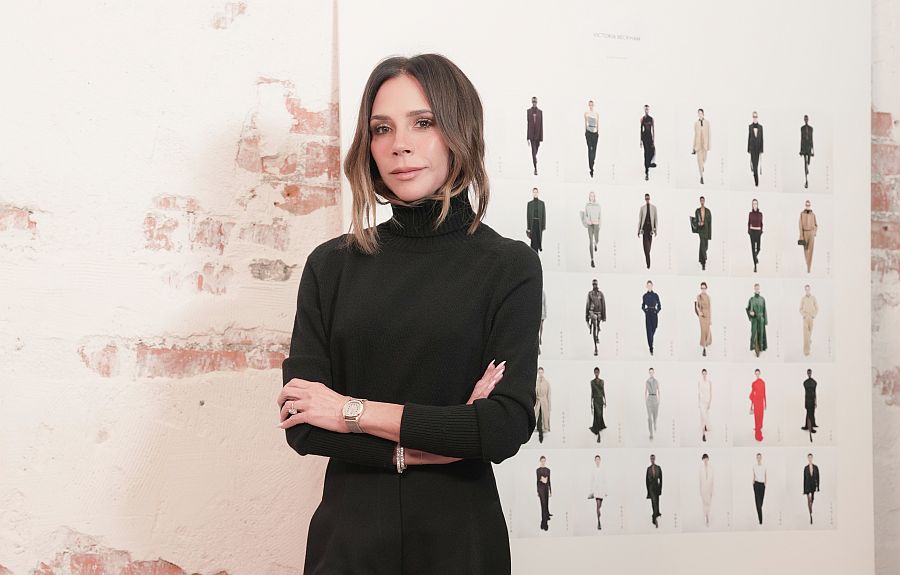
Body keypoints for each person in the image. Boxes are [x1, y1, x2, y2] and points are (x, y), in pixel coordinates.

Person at [277, 54, 542, 575]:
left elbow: (501, 427)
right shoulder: (331, 266)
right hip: (347, 546)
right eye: (382, 128)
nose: (399, 144)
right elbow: (302, 422)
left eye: (423, 122)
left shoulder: (508, 266)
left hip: (461, 546)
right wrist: (439, 440)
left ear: (459, 131)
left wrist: (348, 411)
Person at [585, 279, 607, 356]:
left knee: (597, 326)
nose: (595, 286)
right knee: (595, 327)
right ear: (592, 285)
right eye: (593, 284)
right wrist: (587, 318)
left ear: (597, 285)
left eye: (596, 284)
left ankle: (597, 334)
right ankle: (595, 348)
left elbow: (603, 305)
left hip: (599, 313)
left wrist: (604, 317)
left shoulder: (601, 294)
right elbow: (587, 305)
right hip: (592, 312)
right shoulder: (590, 294)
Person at [746, 283, 768, 357]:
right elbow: (748, 309)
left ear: (759, 289)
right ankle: (755, 348)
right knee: (754, 334)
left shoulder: (762, 299)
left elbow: (764, 310)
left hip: (761, 319)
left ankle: (760, 348)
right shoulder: (751, 299)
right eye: (755, 288)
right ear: (754, 289)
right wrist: (750, 313)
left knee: (761, 333)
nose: (757, 290)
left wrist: (765, 320)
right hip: (754, 319)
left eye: (758, 288)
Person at [637, 194, 658, 269]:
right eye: (646, 198)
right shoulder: (642, 208)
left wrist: (655, 230)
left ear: (650, 198)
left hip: (650, 229)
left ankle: (648, 260)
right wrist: (638, 230)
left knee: (649, 247)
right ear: (645, 199)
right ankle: (648, 263)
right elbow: (640, 220)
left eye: (648, 198)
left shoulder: (654, 208)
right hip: (644, 229)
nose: (647, 200)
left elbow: (656, 219)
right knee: (645, 246)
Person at [642, 280, 662, 355]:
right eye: (648, 285)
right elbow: (642, 306)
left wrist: (656, 311)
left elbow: (659, 306)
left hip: (654, 313)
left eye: (650, 285)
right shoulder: (644, 296)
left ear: (652, 286)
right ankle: (651, 348)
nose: (649, 286)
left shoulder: (656, 295)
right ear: (646, 286)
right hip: (648, 314)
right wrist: (645, 310)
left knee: (654, 328)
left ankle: (651, 340)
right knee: (648, 331)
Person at [589, 454, 608, 529]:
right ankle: (599, 522)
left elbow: (605, 480)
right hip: (596, 490)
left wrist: (605, 491)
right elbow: (591, 481)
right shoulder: (593, 470)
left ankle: (599, 516)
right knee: (597, 505)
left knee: (600, 506)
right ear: (595, 461)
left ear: (600, 460)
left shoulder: (602, 470)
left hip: (601, 489)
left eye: (598, 459)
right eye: (596, 460)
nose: (597, 461)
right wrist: (591, 491)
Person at [799, 199, 818, 273]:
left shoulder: (813, 214)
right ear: (805, 205)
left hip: (811, 233)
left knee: (811, 251)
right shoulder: (801, 214)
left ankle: (808, 268)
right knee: (805, 250)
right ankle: (808, 265)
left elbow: (816, 225)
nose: (807, 206)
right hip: (804, 233)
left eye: (809, 204)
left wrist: (814, 232)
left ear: (810, 205)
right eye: (806, 204)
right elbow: (800, 225)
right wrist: (801, 235)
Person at [693, 196, 712, 270]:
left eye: (703, 200)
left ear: (704, 201)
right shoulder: (697, 211)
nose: (702, 202)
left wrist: (709, 235)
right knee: (702, 244)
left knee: (705, 246)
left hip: (706, 229)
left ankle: (701, 259)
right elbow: (696, 221)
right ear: (700, 201)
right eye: (701, 200)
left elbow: (710, 223)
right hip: (701, 230)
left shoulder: (708, 211)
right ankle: (704, 262)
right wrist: (698, 223)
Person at [799, 284, 819, 356]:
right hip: (805, 318)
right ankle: (806, 351)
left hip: (811, 317)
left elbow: (817, 308)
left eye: (808, 289)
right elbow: (800, 309)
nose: (807, 290)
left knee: (810, 333)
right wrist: (804, 315)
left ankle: (809, 340)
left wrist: (814, 315)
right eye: (806, 289)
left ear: (810, 289)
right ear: (805, 290)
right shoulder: (803, 298)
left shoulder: (813, 298)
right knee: (805, 334)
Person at [693, 108, 711, 184]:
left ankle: (702, 165)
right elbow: (695, 135)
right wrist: (693, 147)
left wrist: (709, 145)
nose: (700, 115)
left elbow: (709, 134)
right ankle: (701, 177)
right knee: (699, 161)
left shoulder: (707, 123)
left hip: (705, 145)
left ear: (703, 114)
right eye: (698, 113)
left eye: (701, 113)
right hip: (698, 145)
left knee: (704, 159)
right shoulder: (696, 124)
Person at [589, 367, 607, 442]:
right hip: (595, 400)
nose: (596, 373)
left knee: (600, 414)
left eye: (597, 372)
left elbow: (603, 391)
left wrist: (605, 400)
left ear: (599, 372)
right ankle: (598, 434)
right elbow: (592, 392)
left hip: (600, 400)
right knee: (597, 415)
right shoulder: (592, 382)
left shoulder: (602, 381)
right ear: (594, 373)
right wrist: (591, 403)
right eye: (595, 372)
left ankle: (600, 426)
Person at [526, 187, 546, 253]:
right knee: (533, 239)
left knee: (538, 238)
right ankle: (534, 252)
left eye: (536, 192)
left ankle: (536, 252)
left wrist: (543, 226)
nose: (535, 193)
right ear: (532, 193)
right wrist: (528, 227)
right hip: (533, 223)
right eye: (534, 192)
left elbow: (543, 215)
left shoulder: (542, 203)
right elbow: (528, 216)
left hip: (539, 223)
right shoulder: (529, 204)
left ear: (538, 193)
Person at [584, 191, 601, 267]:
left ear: (594, 197)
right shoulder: (587, 205)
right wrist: (588, 221)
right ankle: (592, 260)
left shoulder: (598, 205)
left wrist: (599, 225)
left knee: (596, 239)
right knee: (590, 240)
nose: (592, 197)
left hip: (596, 224)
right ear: (589, 197)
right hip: (590, 225)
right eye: (590, 196)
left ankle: (596, 244)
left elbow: (600, 216)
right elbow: (585, 215)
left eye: (593, 196)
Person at [535, 367, 551, 443]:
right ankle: (539, 432)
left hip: (544, 402)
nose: (540, 374)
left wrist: (549, 406)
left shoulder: (547, 383)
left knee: (544, 416)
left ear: (543, 373)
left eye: (541, 372)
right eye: (539, 372)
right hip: (538, 402)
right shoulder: (535, 383)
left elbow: (548, 395)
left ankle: (544, 430)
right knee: (538, 417)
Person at [749, 369, 767, 442]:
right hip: (756, 402)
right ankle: (758, 433)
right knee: (756, 416)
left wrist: (765, 403)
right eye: (756, 373)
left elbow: (764, 393)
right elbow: (752, 394)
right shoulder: (753, 383)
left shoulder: (763, 382)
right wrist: (752, 405)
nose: (757, 375)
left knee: (761, 416)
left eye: (758, 373)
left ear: (760, 373)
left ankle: (759, 427)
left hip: (761, 402)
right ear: (755, 374)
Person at [527, 96, 543, 176]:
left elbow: (541, 125)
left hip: (538, 135)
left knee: (536, 150)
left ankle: (535, 159)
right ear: (531, 102)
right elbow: (528, 124)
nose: (534, 103)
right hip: (531, 135)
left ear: (537, 102)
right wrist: (527, 137)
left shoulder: (540, 112)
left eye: (535, 101)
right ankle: (535, 168)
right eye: (533, 101)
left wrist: (541, 137)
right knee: (533, 152)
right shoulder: (528, 111)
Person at [747, 111, 764, 187]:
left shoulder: (760, 127)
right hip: (752, 149)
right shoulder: (750, 127)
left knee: (756, 165)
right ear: (752, 117)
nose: (755, 118)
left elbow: (762, 139)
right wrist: (748, 149)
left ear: (757, 117)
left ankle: (755, 176)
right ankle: (756, 182)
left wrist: (761, 149)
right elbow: (749, 138)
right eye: (753, 116)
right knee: (754, 165)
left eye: (756, 116)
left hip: (758, 149)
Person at [646, 454, 663, 527]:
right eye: (651, 459)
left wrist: (660, 489)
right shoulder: (648, 469)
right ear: (650, 459)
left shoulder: (658, 468)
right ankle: (654, 518)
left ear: (655, 459)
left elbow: (661, 479)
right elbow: (646, 481)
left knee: (657, 501)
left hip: (657, 487)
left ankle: (657, 513)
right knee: (654, 502)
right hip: (651, 488)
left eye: (653, 458)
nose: (652, 460)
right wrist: (648, 492)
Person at [695, 281, 712, 356]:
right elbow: (697, 306)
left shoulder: (709, 297)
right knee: (703, 330)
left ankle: (708, 341)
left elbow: (710, 308)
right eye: (702, 288)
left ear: (706, 288)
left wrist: (710, 319)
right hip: (701, 315)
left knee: (707, 329)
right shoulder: (698, 296)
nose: (703, 290)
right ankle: (704, 347)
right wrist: (699, 312)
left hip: (707, 314)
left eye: (704, 288)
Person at [803, 453, 821, 524]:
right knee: (808, 500)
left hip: (813, 486)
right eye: (809, 458)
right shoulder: (805, 468)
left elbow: (818, 478)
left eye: (811, 457)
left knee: (812, 500)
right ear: (807, 458)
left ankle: (811, 510)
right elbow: (804, 479)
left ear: (812, 458)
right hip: (807, 486)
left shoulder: (816, 467)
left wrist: (818, 487)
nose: (810, 459)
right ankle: (811, 515)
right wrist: (804, 490)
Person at [640, 104, 656, 181]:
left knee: (652, 151)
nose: (646, 110)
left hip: (650, 137)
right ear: (644, 110)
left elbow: (653, 130)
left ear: (649, 110)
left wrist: (653, 140)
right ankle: (646, 171)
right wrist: (640, 140)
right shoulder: (642, 119)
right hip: (644, 137)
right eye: (645, 109)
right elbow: (641, 130)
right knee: (646, 153)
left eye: (647, 109)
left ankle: (649, 164)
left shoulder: (651, 119)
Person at [536, 456, 552, 531]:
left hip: (546, 488)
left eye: (544, 461)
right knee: (543, 505)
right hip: (541, 488)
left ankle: (545, 518)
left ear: (545, 461)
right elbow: (538, 480)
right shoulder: (538, 470)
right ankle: (544, 524)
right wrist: (537, 491)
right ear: (540, 461)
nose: (543, 462)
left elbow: (548, 481)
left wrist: (550, 491)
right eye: (542, 461)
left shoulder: (548, 470)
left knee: (546, 503)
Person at [585, 100, 600, 177]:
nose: (591, 106)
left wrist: (597, 132)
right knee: (590, 149)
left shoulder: (596, 114)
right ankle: (591, 168)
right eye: (590, 105)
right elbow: (585, 123)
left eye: (592, 105)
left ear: (593, 105)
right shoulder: (586, 113)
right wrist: (586, 133)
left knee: (594, 151)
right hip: (589, 133)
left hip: (595, 133)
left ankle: (592, 165)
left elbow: (597, 123)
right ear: (588, 105)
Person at [801, 368, 818, 436]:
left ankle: (812, 424)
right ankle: (809, 427)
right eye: (808, 373)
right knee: (809, 413)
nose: (809, 374)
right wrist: (806, 402)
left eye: (810, 373)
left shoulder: (814, 382)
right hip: (808, 400)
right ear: (807, 373)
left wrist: (815, 401)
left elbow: (815, 392)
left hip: (812, 399)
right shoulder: (805, 382)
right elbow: (806, 393)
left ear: (811, 373)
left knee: (812, 413)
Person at [748, 199, 763, 272]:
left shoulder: (760, 214)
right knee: (753, 249)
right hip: (752, 232)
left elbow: (761, 223)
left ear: (757, 205)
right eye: (753, 204)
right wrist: (749, 231)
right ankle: (755, 266)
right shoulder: (750, 214)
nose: (754, 205)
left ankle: (755, 257)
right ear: (752, 205)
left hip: (758, 232)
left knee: (759, 248)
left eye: (756, 203)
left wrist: (761, 231)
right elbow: (749, 222)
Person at [645, 368, 661, 440]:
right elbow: (645, 391)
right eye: (650, 372)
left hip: (655, 399)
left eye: (652, 372)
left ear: (654, 372)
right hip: (649, 399)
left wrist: (658, 400)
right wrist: (646, 400)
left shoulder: (656, 381)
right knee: (649, 418)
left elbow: (659, 391)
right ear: (649, 373)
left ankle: (655, 424)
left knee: (655, 415)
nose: (651, 373)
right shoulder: (647, 381)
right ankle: (651, 434)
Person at [699, 454, 714, 527]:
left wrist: (712, 490)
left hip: (709, 488)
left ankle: (708, 516)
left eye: (706, 459)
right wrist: (700, 490)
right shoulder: (701, 469)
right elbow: (700, 480)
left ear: (708, 459)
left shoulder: (711, 468)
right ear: (703, 460)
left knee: (709, 503)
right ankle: (706, 518)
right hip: (703, 488)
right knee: (704, 503)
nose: (705, 460)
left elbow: (712, 480)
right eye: (704, 459)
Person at [800, 115, 814, 189]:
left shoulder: (811, 128)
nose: (806, 120)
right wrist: (800, 150)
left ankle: (807, 168)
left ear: (808, 120)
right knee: (805, 163)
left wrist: (813, 150)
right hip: (804, 147)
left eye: (806, 119)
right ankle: (806, 181)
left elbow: (812, 139)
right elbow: (801, 139)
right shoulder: (802, 128)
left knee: (808, 162)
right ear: (804, 120)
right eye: (805, 119)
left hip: (809, 147)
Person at [753, 453, 767, 524]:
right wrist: (753, 482)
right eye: (757, 457)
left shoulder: (764, 466)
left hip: (762, 484)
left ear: (761, 458)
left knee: (761, 502)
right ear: (756, 458)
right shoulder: (754, 466)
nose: (759, 458)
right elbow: (754, 475)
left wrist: (765, 483)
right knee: (757, 502)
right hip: (756, 484)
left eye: (760, 457)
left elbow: (765, 475)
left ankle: (759, 515)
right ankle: (760, 520)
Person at [698, 369, 712, 442]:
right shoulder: (699, 382)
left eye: (705, 373)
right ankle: (703, 434)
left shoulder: (709, 382)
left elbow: (711, 393)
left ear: (706, 374)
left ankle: (706, 426)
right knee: (703, 417)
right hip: (701, 402)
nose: (704, 375)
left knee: (706, 416)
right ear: (702, 374)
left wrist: (709, 403)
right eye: (703, 373)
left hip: (707, 402)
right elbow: (698, 393)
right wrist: (698, 403)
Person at [539, 289, 546, 355]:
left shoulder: (543, 292)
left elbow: (544, 303)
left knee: (541, 326)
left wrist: (545, 313)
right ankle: (538, 340)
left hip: (542, 312)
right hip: (537, 312)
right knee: (538, 327)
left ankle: (540, 337)